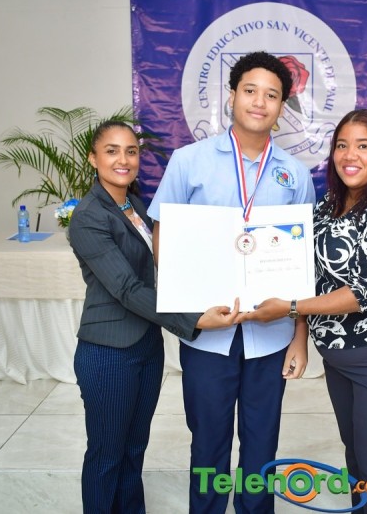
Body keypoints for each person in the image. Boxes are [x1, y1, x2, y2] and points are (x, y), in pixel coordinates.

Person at [147, 51, 316, 514]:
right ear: (231, 96)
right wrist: (189, 309)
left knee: (261, 445)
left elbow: (303, 265)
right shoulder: (189, 162)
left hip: (271, 335)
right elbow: (163, 236)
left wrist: (299, 337)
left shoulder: (295, 174)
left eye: (272, 95)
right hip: (208, 334)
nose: (260, 102)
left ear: (282, 106)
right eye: (250, 91)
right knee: (208, 444)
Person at [241, 109, 367, 513]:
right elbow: (308, 276)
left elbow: (362, 292)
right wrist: (300, 337)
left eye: (363, 145)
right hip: (337, 354)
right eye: (342, 145)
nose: (349, 155)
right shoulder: (328, 204)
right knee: (355, 454)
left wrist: (287, 308)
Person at [68, 120, 240, 514]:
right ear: (93, 158)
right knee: (106, 455)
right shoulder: (89, 216)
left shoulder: (135, 206)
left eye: (131, 151)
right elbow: (127, 289)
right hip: (108, 352)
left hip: (146, 345)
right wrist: (194, 318)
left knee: (133, 450)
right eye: (111, 151)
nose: (123, 160)